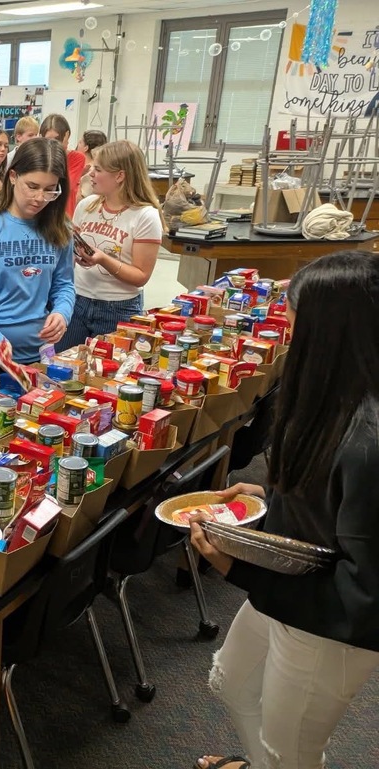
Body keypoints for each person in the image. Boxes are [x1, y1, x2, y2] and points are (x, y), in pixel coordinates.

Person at [189, 250, 379, 769]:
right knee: (230, 680)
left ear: (329, 339)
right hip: (295, 587)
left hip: (327, 624)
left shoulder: (368, 443)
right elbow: (323, 502)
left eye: (294, 329)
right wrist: (264, 502)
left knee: (289, 750)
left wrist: (236, 568)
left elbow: (362, 597)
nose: (287, 340)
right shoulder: (335, 401)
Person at [0, 138, 76, 395]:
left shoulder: (60, 228)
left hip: (35, 355)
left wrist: (62, 313)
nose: (40, 198)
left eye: (50, 189)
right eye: (32, 186)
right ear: (13, 176)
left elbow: (64, 284)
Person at [58, 140, 163, 351]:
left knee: (104, 374)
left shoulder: (145, 216)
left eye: (98, 169)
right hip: (77, 301)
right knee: (63, 369)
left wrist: (103, 260)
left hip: (117, 309)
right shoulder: (86, 206)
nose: (90, 175)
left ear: (120, 175)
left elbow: (141, 275)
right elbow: (70, 251)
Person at [39, 114, 87, 217]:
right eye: (48, 140)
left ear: (67, 135)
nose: (53, 145)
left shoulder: (77, 158)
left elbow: (66, 186)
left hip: (64, 216)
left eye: (57, 140)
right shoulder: (39, 157)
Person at [76, 129, 108, 199]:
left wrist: (77, 178)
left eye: (80, 142)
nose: (77, 144)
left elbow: (79, 202)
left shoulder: (90, 173)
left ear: (86, 148)